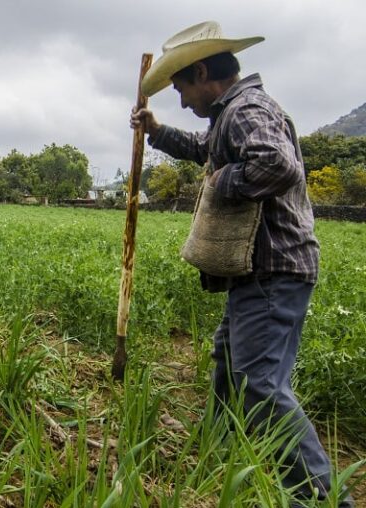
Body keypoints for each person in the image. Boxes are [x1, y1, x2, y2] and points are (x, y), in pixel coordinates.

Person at [130, 21, 354, 506]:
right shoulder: (230, 114)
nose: (183, 101)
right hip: (260, 270)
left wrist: (220, 184)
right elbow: (206, 151)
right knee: (230, 366)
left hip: (276, 269)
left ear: (203, 72)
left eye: (181, 89)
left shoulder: (247, 108)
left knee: (259, 384)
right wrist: (158, 132)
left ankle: (322, 498)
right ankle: (220, 455)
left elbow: (277, 165)